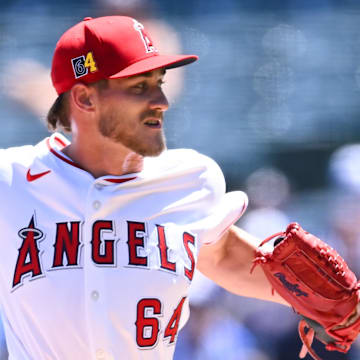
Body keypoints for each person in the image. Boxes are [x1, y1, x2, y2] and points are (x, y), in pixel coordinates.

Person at [0, 15, 296, 360]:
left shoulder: (192, 181)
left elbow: (219, 253)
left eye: (159, 82)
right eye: (140, 87)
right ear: (84, 99)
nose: (161, 101)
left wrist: (332, 301)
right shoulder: (12, 180)